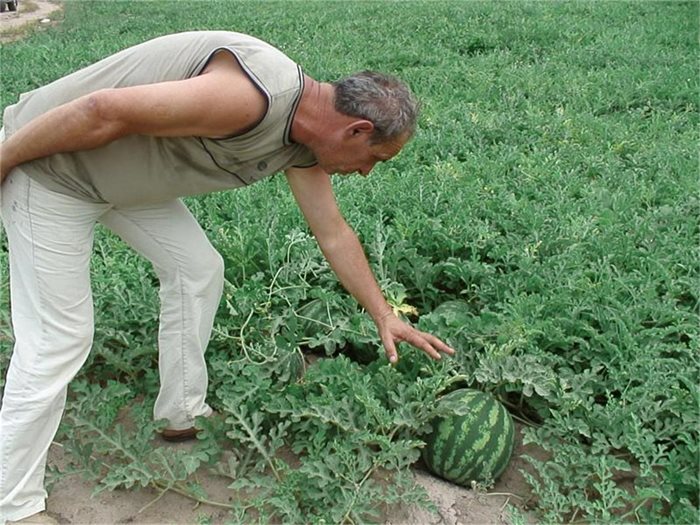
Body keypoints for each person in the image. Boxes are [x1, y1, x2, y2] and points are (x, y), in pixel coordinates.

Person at [0, 30, 455, 524]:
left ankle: (181, 411)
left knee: (197, 268)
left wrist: (384, 314)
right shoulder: (252, 97)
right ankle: (14, 503)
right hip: (48, 170)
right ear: (357, 130)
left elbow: (334, 234)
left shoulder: (303, 143)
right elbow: (101, 111)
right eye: (375, 159)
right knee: (57, 339)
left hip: (114, 182)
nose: (366, 172)